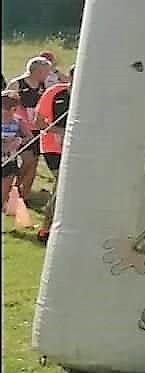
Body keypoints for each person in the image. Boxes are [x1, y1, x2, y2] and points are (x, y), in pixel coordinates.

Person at [35, 66, 74, 238]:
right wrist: (61, 131)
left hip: (77, 149)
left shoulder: (93, 97)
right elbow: (38, 123)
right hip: (53, 147)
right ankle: (46, 228)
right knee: (62, 184)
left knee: (68, 186)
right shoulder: (55, 93)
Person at [6, 56, 51, 200]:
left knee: (34, 161)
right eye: (45, 71)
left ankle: (23, 194)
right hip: (18, 127)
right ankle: (13, 187)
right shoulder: (17, 84)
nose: (47, 74)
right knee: (28, 158)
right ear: (36, 71)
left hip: (36, 128)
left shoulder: (43, 86)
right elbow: (6, 104)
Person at [2, 91, 34, 214]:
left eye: (9, 110)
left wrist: (19, 140)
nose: (6, 114)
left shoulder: (18, 121)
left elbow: (30, 138)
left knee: (4, 194)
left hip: (9, 162)